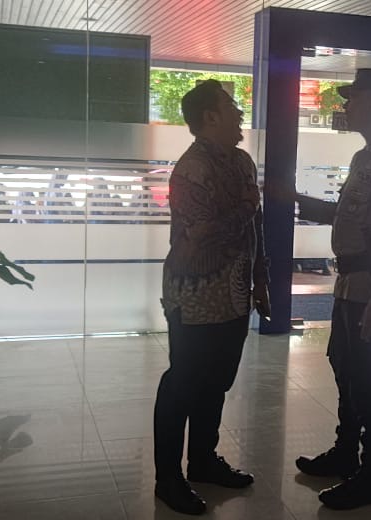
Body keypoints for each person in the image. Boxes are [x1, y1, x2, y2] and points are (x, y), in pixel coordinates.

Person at [294, 69, 371, 510]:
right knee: (345, 367)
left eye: (353, 99)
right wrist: (296, 200)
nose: (345, 106)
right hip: (348, 282)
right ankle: (346, 451)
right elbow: (347, 215)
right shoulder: (364, 158)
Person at [152, 79, 271, 516]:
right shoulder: (191, 170)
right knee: (184, 381)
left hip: (234, 292)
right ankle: (168, 478)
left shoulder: (241, 162)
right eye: (231, 106)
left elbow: (255, 227)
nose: (240, 114)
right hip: (195, 293)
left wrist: (261, 280)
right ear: (209, 117)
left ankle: (202, 460)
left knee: (218, 379)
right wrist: (246, 206)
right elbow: (203, 233)